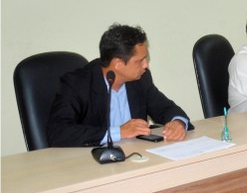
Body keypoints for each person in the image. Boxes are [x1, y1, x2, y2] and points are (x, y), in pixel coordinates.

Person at [47, 24, 191, 147]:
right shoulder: (77, 84)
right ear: (118, 64)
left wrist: (177, 123)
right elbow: (58, 132)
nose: (146, 65)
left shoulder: (141, 78)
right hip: (92, 162)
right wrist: (119, 132)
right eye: (139, 61)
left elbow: (166, 108)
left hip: (136, 156)